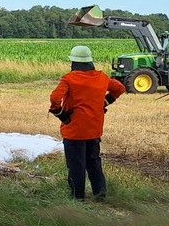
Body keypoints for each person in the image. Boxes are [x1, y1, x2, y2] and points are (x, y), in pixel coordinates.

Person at [48, 45, 126, 201]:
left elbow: (55, 98)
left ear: (73, 62)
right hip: (94, 129)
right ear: (90, 61)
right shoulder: (102, 77)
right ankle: (100, 193)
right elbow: (120, 88)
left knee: (76, 165)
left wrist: (61, 114)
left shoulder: (69, 79)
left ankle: (78, 197)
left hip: (74, 130)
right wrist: (105, 102)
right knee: (94, 162)